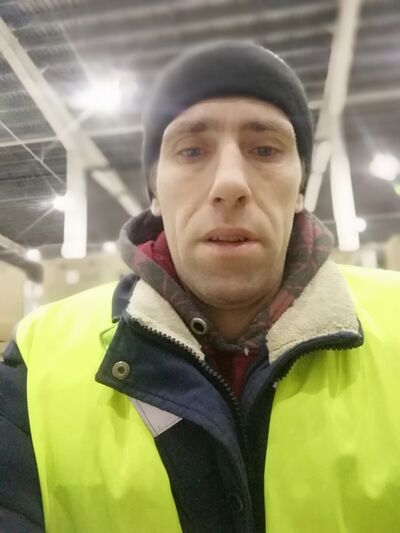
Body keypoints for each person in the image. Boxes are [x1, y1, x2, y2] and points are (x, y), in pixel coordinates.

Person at [1, 41, 399, 533]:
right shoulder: (38, 360)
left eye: (265, 149)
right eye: (191, 151)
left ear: (300, 187)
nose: (230, 183)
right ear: (155, 191)